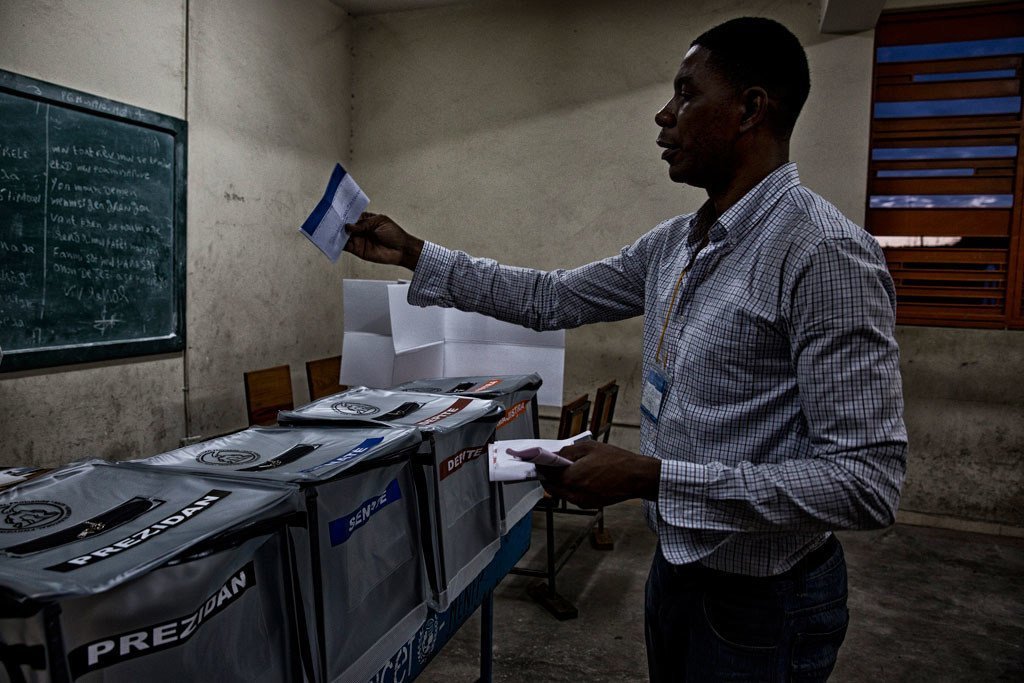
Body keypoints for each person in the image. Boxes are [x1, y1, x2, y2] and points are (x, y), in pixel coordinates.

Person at [344, 16, 907, 682]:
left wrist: (650, 476)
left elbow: (866, 482)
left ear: (751, 109)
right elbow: (550, 297)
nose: (663, 116)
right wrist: (414, 253)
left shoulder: (823, 254)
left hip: (766, 602)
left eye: (686, 94)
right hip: (678, 570)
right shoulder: (676, 244)